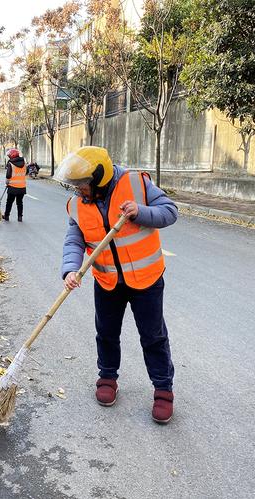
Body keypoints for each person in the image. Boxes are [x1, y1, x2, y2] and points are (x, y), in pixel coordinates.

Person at [56, 146, 178, 424]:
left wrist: (141, 212)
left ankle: (163, 390)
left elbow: (170, 212)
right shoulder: (77, 204)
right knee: (106, 332)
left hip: (146, 280)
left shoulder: (136, 184)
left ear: (99, 177)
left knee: (153, 336)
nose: (77, 191)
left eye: (82, 185)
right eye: (74, 186)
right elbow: (74, 240)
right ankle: (107, 377)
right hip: (107, 280)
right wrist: (70, 269)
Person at [4, 148, 26, 222]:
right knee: (20, 202)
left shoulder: (10, 164)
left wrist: (7, 183)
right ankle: (20, 217)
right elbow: (25, 173)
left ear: (12, 156)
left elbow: (8, 176)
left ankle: (6, 216)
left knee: (9, 202)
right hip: (22, 187)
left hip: (13, 187)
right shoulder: (24, 163)